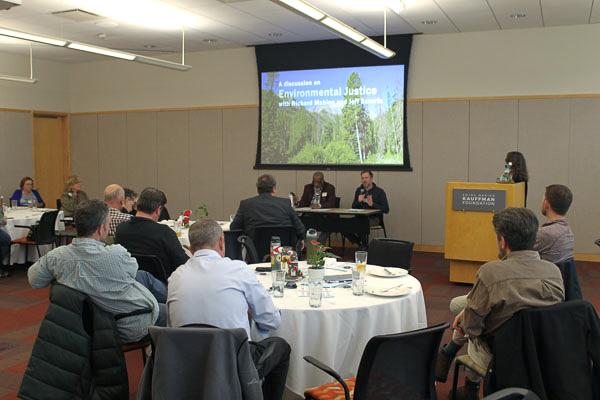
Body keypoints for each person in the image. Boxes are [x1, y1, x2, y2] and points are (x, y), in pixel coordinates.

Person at [435, 208, 564, 399]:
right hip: (542, 351)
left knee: (468, 324)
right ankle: (450, 354)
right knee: (465, 309)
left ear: (502, 241)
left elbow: (473, 329)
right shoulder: (554, 272)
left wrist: (467, 320)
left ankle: (466, 381)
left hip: (501, 357)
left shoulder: (490, 272)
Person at [168, 219, 291, 400]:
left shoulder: (175, 277)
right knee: (280, 347)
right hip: (233, 365)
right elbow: (271, 320)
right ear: (221, 242)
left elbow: (172, 327)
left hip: (186, 364)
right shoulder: (238, 270)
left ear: (190, 248)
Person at [27, 200, 166, 342]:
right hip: (125, 323)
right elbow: (131, 271)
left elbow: (34, 280)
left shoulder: (56, 256)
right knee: (177, 311)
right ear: (101, 229)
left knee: (143, 277)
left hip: (87, 324)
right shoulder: (116, 254)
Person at [115, 187, 188, 277]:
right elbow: (183, 263)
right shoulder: (164, 232)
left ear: (138, 205)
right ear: (158, 210)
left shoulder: (121, 229)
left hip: (130, 281)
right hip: (160, 285)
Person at [231, 174, 305, 242]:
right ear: (274, 188)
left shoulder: (246, 204)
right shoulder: (285, 203)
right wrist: (300, 240)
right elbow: (301, 229)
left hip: (254, 252)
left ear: (258, 189)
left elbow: (234, 228)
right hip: (283, 252)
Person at [534, 184, 574, 263]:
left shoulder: (545, 233)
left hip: (543, 273)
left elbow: (518, 252)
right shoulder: (568, 231)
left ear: (546, 204)